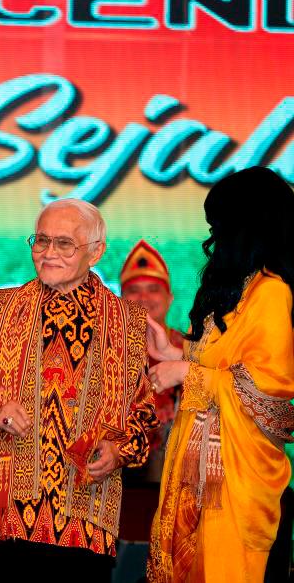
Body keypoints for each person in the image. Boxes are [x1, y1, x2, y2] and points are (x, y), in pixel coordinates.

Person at [0, 198, 159, 579]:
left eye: (64, 244)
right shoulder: (2, 306)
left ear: (96, 252)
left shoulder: (127, 321)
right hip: (9, 516)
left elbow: (145, 418)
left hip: (86, 519)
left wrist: (118, 452)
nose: (48, 253)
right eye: (41, 241)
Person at [146, 166, 294, 582]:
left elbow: (269, 398)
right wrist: (175, 350)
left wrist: (184, 374)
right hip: (202, 476)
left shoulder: (271, 293)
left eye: (220, 227)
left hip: (234, 486)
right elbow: (225, 359)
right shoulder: (245, 289)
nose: (214, 240)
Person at [115, 240, 185, 581]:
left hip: (178, 497)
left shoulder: (190, 352)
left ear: (169, 298)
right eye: (133, 291)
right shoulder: (103, 355)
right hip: (114, 493)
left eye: (153, 290)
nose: (143, 298)